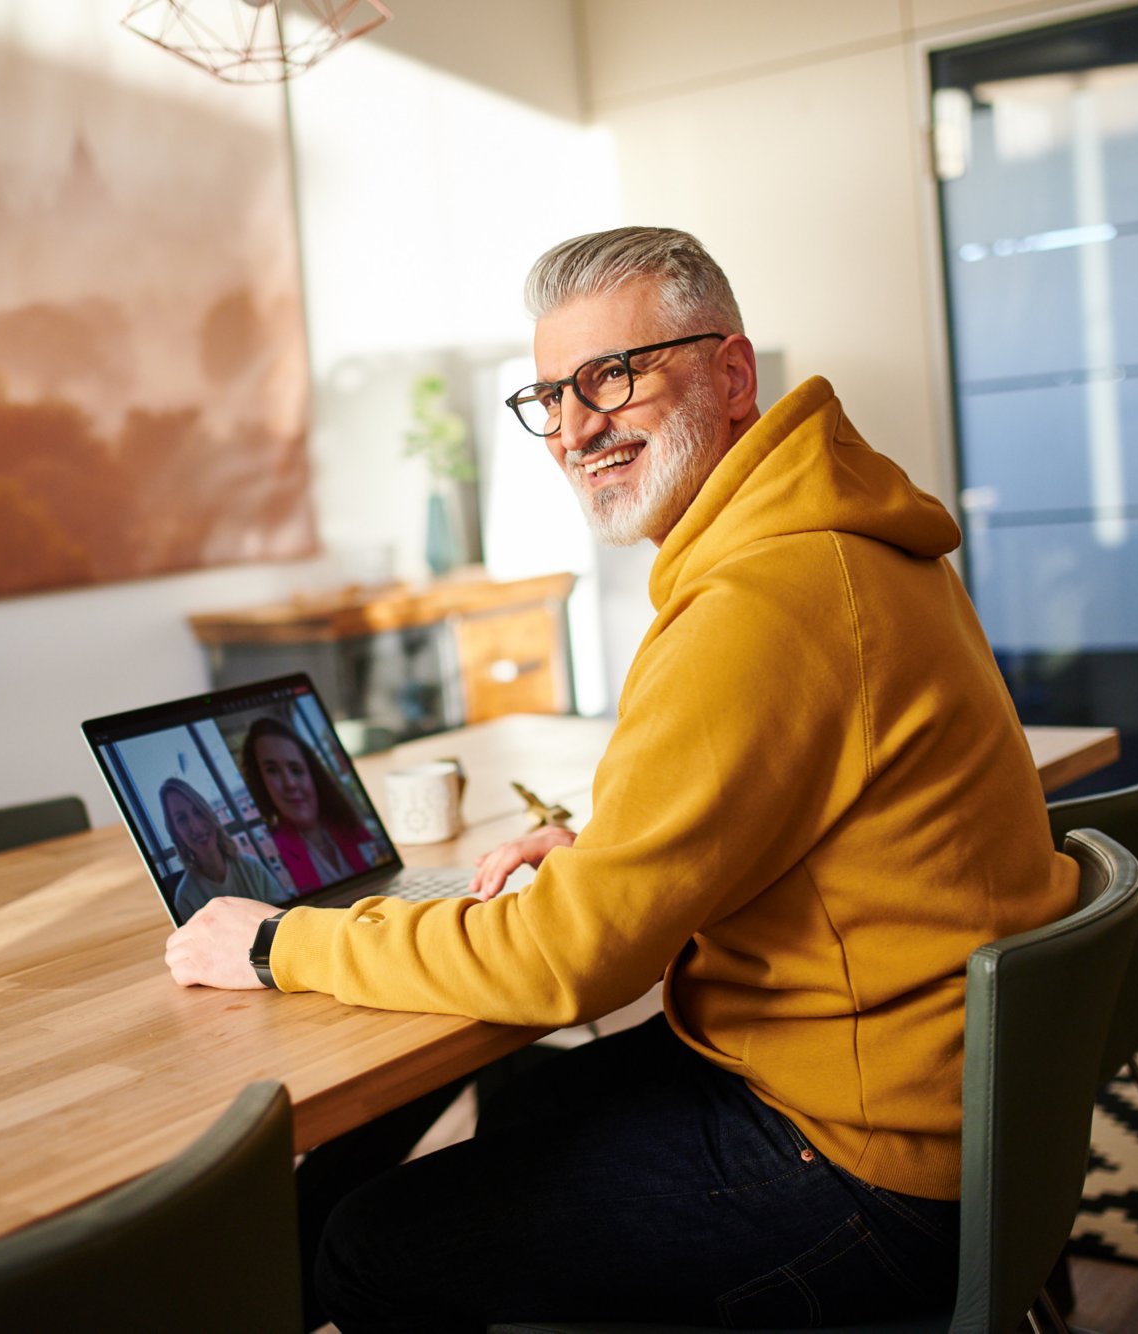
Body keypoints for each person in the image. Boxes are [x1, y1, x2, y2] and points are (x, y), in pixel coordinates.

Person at [165, 226, 1079, 1330]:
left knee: (370, 1240)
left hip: (861, 1164)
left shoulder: (761, 598)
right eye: (550, 393)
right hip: (925, 1101)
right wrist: (606, 850)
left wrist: (273, 942)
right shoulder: (828, 539)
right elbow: (788, 814)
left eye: (614, 374)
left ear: (731, 375)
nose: (576, 426)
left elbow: (566, 963)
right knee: (517, 1109)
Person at [240, 716, 376, 891]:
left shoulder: (349, 826)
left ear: (313, 775)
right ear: (260, 783)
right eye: (272, 770)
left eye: (296, 770)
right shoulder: (269, 858)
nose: (290, 783)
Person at [158, 776, 292, 921]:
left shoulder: (251, 867)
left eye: (197, 812)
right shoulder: (185, 900)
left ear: (208, 813)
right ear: (175, 834)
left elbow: (285, 922)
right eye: (182, 819)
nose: (195, 828)